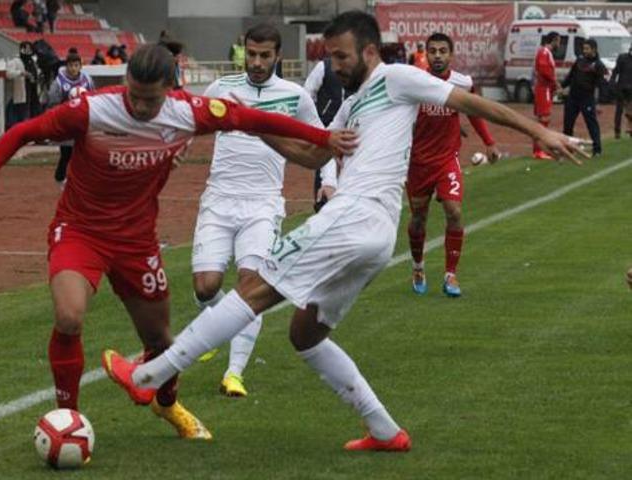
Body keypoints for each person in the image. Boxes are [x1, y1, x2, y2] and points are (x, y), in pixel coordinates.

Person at [101, 11, 586, 453]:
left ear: (369, 52)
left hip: (355, 216)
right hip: (374, 235)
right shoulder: (352, 107)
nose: (333, 65)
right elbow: (315, 156)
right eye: (329, 56)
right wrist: (251, 127)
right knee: (305, 332)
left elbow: (472, 103)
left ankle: (148, 376)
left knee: (253, 287)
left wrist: (540, 133)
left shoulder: (396, 79)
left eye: (341, 56)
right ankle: (385, 431)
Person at [0, 44, 352, 441]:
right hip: (80, 230)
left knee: (160, 341)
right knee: (69, 317)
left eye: (150, 99)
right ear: (125, 82)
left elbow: (254, 119)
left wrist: (323, 137)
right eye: (134, 96)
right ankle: (67, 420)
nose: (140, 107)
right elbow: (25, 130)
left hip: (138, 241)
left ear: (170, 88)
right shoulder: (91, 109)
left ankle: (166, 401)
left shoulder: (189, 112)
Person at [190, 23, 339, 397]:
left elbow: (321, 139)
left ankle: (234, 374)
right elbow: (190, 123)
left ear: (278, 57)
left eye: (264, 55)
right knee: (205, 287)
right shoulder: (221, 89)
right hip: (218, 201)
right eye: (250, 54)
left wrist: (329, 179)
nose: (256, 62)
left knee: (248, 286)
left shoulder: (295, 96)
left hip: (263, 205)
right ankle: (216, 324)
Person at [406, 32, 501, 298]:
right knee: (418, 218)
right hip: (418, 162)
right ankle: (418, 267)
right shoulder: (415, 82)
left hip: (447, 159)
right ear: (426, 54)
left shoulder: (462, 82)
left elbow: (474, 111)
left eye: (442, 51)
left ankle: (451, 274)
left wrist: (489, 142)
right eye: (432, 51)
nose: (437, 55)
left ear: (451, 54)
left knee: (454, 212)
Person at [304, 55, 352, 211]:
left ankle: (346, 202)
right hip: (326, 124)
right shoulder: (323, 67)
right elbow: (308, 92)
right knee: (323, 161)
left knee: (349, 163)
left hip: (350, 125)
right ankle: (321, 201)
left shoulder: (358, 67)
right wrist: (315, 117)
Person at [46, 50, 94, 185]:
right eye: (71, 65)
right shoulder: (60, 82)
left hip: (82, 122)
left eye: (76, 65)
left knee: (83, 153)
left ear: (80, 66)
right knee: (66, 153)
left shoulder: (87, 80)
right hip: (66, 122)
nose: (73, 68)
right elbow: (52, 102)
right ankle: (60, 178)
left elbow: (93, 97)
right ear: (66, 66)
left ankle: (80, 180)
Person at [560, 38, 606, 157]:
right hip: (573, 97)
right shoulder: (579, 60)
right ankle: (568, 147)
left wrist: (599, 102)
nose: (584, 51)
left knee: (591, 124)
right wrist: (561, 86)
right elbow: (571, 76)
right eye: (584, 48)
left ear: (594, 49)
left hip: (587, 98)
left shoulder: (598, 65)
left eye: (587, 49)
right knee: (568, 124)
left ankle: (597, 149)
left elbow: (600, 85)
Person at [533, 31, 562, 160]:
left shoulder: (546, 52)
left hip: (545, 89)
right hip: (543, 89)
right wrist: (555, 83)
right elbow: (544, 70)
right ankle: (538, 150)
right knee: (543, 119)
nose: (559, 44)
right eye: (559, 41)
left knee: (544, 119)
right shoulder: (544, 52)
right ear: (554, 40)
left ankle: (540, 149)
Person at [610, 44, 632, 139]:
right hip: (622, 88)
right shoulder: (622, 58)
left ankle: (630, 130)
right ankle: (617, 131)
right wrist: (612, 82)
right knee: (619, 111)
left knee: (630, 111)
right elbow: (615, 72)